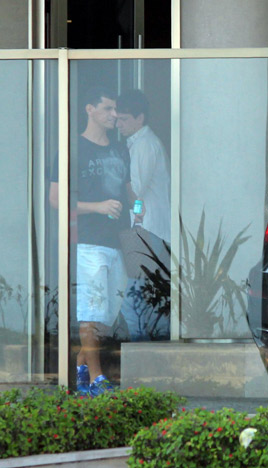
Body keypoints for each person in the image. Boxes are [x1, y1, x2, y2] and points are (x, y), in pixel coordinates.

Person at [49, 86, 141, 396]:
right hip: (89, 242)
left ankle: (81, 365)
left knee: (109, 313)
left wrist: (138, 208)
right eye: (108, 109)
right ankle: (98, 378)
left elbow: (129, 191)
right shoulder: (73, 149)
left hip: (119, 241)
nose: (115, 115)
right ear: (90, 109)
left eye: (117, 110)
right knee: (92, 309)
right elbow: (55, 199)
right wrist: (97, 207)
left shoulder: (119, 149)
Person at [116, 89, 171, 341]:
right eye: (118, 118)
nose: (119, 124)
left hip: (149, 229)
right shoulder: (138, 143)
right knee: (143, 290)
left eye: (124, 119)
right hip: (147, 228)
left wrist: (136, 219)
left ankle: (139, 349)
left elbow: (137, 192)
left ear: (140, 118)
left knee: (136, 294)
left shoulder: (144, 144)